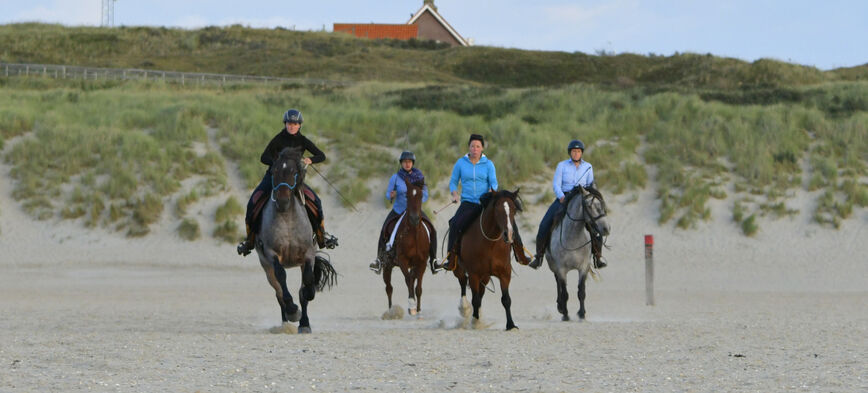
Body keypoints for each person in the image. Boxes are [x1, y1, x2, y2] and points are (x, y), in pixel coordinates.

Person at [236, 109, 338, 256]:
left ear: (299, 125)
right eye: (289, 123)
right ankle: (250, 241)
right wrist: (276, 163)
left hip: (294, 181)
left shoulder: (303, 141)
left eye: (295, 123)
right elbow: (263, 157)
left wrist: (310, 159)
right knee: (253, 202)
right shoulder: (278, 139)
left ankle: (322, 237)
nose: (292, 126)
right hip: (273, 178)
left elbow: (321, 155)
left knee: (316, 201)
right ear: (285, 124)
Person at [435, 134, 530, 271]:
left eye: (478, 146)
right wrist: (455, 194)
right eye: (472, 146)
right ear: (469, 147)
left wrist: (492, 192)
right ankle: (451, 259)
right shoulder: (460, 163)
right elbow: (453, 182)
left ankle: (520, 253)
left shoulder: (488, 164)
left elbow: (493, 183)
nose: (475, 149)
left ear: (482, 149)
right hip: (468, 202)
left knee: (510, 222)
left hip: (485, 201)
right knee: (454, 223)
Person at [530, 139, 605, 269]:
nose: (576, 154)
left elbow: (591, 185)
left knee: (596, 225)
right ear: (570, 153)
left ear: (582, 153)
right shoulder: (562, 166)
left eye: (578, 151)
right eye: (573, 151)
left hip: (582, 199)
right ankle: (539, 255)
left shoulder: (588, 167)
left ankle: (597, 257)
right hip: (564, 198)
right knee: (544, 224)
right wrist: (561, 197)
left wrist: (590, 197)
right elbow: (556, 184)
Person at [368, 151, 438, 274]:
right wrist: (391, 195)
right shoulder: (395, 178)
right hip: (399, 210)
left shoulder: (419, 177)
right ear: (401, 163)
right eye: (405, 162)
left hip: (415, 210)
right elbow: (388, 194)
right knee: (384, 229)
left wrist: (417, 197)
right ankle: (379, 260)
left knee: (432, 229)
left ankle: (433, 261)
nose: (407, 164)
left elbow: (425, 195)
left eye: (409, 162)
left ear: (412, 163)